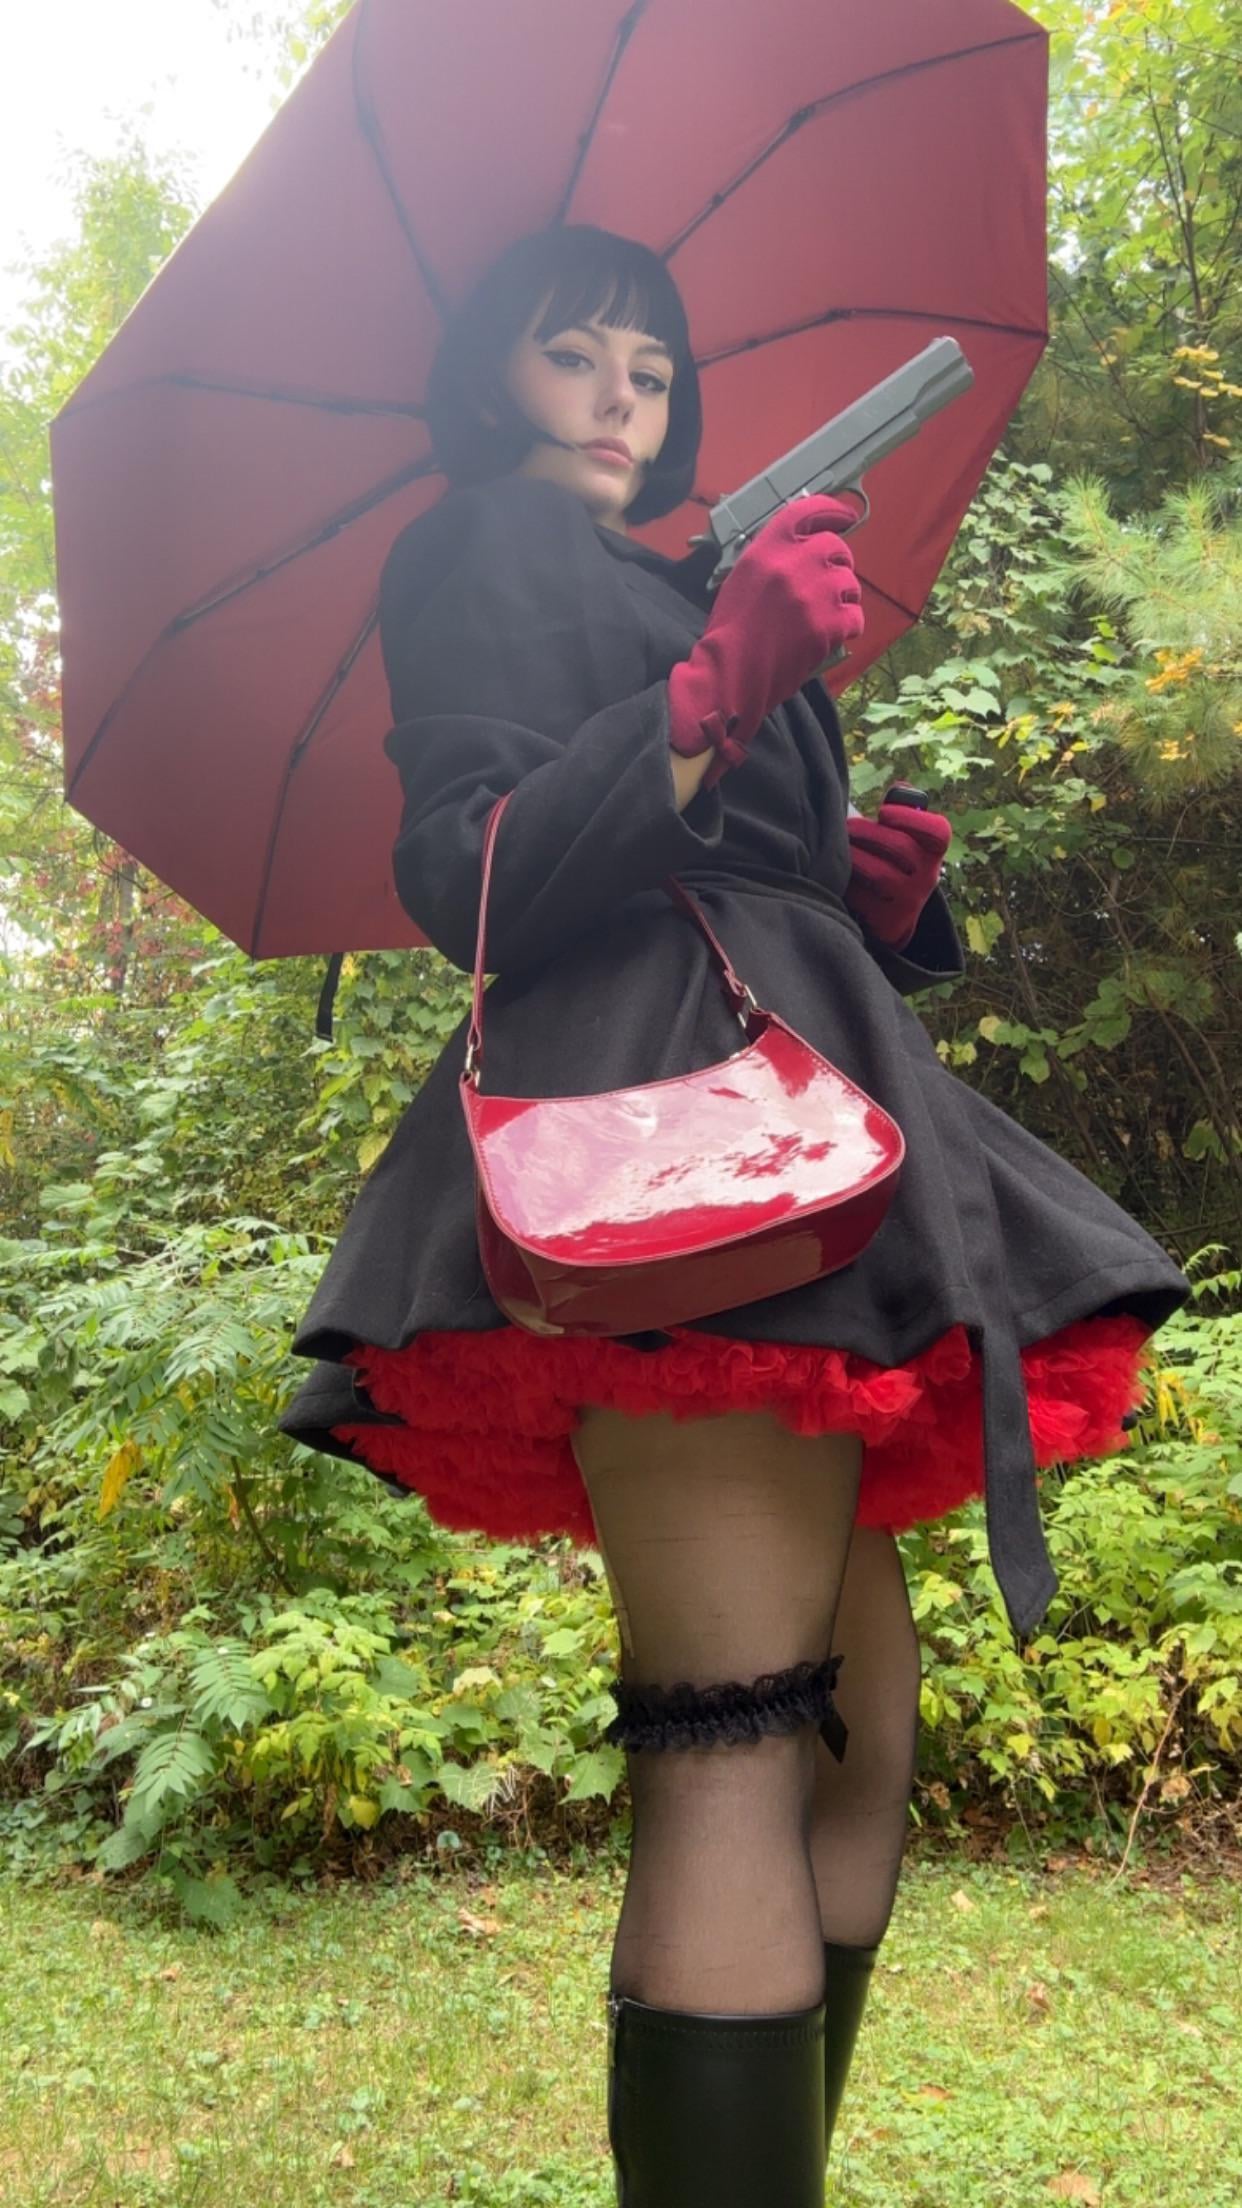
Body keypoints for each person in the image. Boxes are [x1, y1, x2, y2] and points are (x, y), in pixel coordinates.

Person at [279, 224, 1187, 2204]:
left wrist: (862, 887)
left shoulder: (692, 578)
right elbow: (472, 875)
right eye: (572, 355)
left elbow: (727, 863)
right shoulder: (475, 548)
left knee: (865, 1743)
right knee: (734, 1742)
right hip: (660, 1146)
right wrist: (700, 699)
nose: (622, 395)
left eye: (651, 366)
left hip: (805, 1125)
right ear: (489, 378)